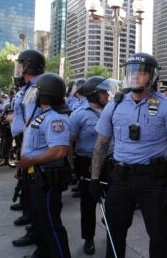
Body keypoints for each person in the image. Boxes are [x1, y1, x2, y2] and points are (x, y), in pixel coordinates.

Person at [89, 52, 167, 258]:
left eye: (141, 73)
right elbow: (102, 143)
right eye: (131, 72)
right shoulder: (114, 105)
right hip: (121, 179)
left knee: (158, 234)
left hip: (153, 182)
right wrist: (95, 178)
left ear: (152, 76)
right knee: (114, 233)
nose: (135, 77)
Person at [16, 73, 71, 258]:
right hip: (34, 175)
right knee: (39, 222)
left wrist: (31, 161)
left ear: (45, 94)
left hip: (46, 179)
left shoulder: (56, 118)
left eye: (37, 92)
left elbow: (59, 151)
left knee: (50, 224)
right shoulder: (43, 114)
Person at [69, 76, 116, 255]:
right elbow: (69, 143)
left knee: (115, 200)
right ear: (95, 94)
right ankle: (88, 238)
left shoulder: (112, 110)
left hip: (111, 161)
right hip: (86, 163)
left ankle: (111, 223)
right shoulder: (78, 114)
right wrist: (73, 168)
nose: (107, 95)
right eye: (104, 92)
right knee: (88, 204)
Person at [9, 49, 45, 246]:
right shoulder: (30, 87)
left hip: (34, 148)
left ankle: (37, 234)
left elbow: (32, 124)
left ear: (30, 66)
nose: (19, 69)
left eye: (21, 65)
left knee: (36, 196)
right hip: (27, 145)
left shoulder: (38, 87)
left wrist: (25, 153)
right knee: (29, 191)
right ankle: (33, 227)